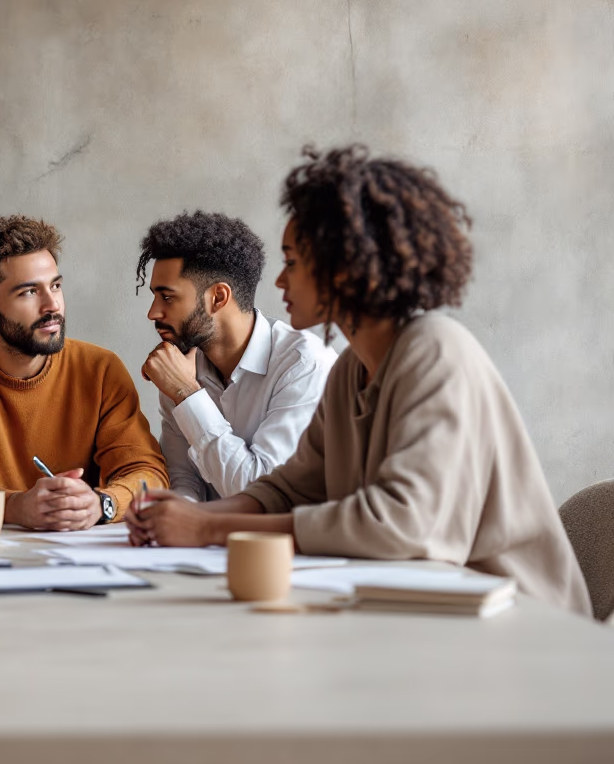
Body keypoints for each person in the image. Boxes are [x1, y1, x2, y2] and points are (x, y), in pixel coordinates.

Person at [127, 145, 590, 615]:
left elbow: (402, 524)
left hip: (515, 619)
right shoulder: (350, 370)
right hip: (420, 609)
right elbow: (286, 490)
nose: (280, 281)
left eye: (292, 262)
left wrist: (206, 528)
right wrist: (187, 517)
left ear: (343, 268)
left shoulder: (435, 350)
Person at [0, 215, 168, 529]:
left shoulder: (100, 369)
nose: (52, 305)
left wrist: (102, 503)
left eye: (55, 286)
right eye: (29, 292)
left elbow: (148, 474)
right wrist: (16, 506)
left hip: (82, 561)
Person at [137, 210, 335, 500]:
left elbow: (262, 495)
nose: (153, 312)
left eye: (168, 297)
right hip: (209, 539)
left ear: (218, 297)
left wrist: (186, 394)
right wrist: (171, 518)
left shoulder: (304, 366)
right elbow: (183, 480)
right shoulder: (180, 363)